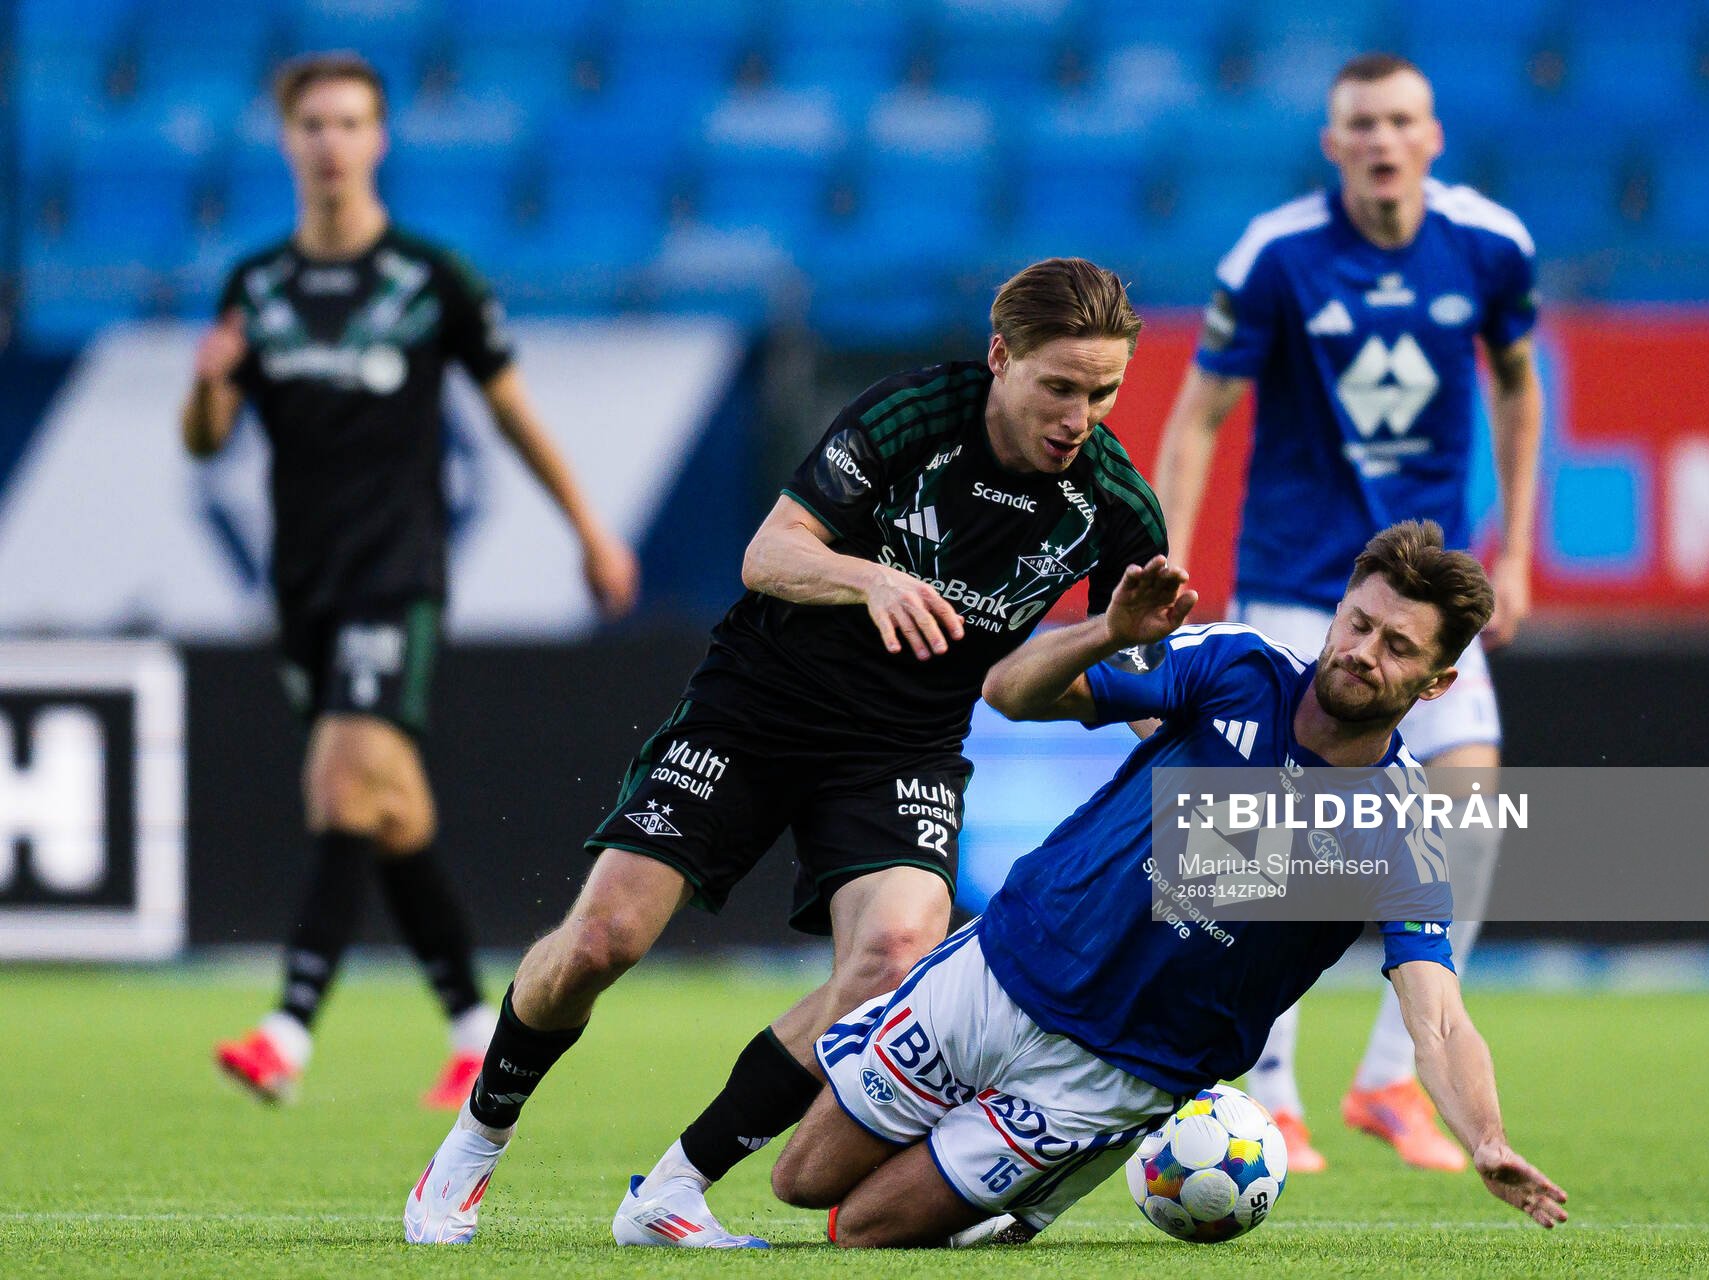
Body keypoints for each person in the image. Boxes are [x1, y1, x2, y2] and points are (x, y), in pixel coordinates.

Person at [403, 257, 1170, 1247]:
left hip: (905, 742)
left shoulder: (1115, 506)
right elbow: (767, 553)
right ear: (1000, 358)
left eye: (1102, 392)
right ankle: (472, 1142)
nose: (1079, 414)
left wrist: (1135, 678)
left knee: (893, 958)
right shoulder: (913, 417)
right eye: (1058, 386)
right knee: (601, 942)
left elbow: (1110, 683)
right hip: (760, 706)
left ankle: (672, 1190)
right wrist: (871, 581)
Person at [770, 521, 1567, 1246]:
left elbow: (1439, 1020)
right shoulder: (1238, 665)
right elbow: (1012, 691)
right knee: (799, 1181)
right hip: (1007, 966)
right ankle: (997, 1185)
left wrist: (1487, 1139)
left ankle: (1015, 1184)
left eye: (1398, 646)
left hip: (1119, 1072)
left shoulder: (1403, 829)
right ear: (1338, 615)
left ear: (1436, 684)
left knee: (861, 1231)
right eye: (1359, 624)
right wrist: (1107, 635)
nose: (1364, 651)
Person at [183, 53, 638, 1108]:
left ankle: (287, 1028)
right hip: (301, 579)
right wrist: (207, 387)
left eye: (350, 123)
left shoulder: (432, 279)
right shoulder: (255, 286)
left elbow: (512, 411)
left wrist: (587, 527)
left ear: (378, 139)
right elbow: (206, 441)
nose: (332, 143)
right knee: (387, 807)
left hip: (399, 568)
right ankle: (476, 1023)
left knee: (342, 781)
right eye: (314, 125)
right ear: (289, 141)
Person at [1152, 52, 1544, 1171]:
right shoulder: (1277, 253)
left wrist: (1512, 547)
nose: (1381, 139)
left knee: (1469, 801)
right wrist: (1172, 559)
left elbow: (1519, 386)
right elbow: (1202, 411)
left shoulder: (1489, 244)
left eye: (1401, 120)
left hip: (1423, 596)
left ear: (1433, 137)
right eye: (1360, 123)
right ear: (1334, 144)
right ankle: (1268, 1089)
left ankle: (1388, 1082)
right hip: (1294, 589)